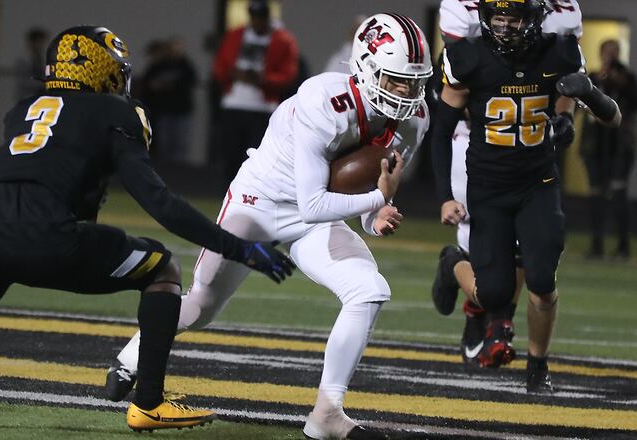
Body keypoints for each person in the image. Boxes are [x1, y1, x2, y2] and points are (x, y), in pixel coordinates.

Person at [0, 26, 294, 432]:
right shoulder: (113, 113)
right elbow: (159, 202)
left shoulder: (21, 109)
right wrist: (238, 248)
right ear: (100, 68)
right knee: (162, 267)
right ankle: (149, 403)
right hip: (49, 236)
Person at [106, 14, 432, 440]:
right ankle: (130, 358)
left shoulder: (414, 118)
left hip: (314, 216)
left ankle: (327, 413)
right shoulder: (323, 100)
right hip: (260, 203)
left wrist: (375, 216)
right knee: (201, 307)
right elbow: (316, 201)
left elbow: (367, 189)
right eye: (395, 80)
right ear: (365, 67)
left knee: (369, 290)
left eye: (414, 81)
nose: (407, 93)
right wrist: (376, 200)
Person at [431, 0, 620, 392]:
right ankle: (452, 263)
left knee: (542, 281)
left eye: (513, 19)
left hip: (538, 183)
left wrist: (570, 110)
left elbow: (608, 114)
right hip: (487, 187)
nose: (504, 28)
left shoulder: (559, 51)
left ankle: (537, 365)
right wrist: (444, 196)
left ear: (533, 19)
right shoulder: (467, 58)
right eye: (497, 19)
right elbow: (441, 129)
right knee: (493, 293)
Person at [213, 0, 298, 187]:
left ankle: (252, 191)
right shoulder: (235, 35)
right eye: (254, 17)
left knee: (257, 154)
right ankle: (228, 191)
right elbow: (219, 66)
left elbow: (288, 74)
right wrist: (232, 74)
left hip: (262, 107)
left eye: (260, 17)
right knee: (230, 153)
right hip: (233, 103)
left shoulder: (283, 40)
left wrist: (262, 79)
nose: (257, 21)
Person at [580, 39, 637, 261]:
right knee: (595, 195)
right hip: (594, 146)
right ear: (601, 53)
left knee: (619, 195)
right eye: (607, 52)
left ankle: (623, 246)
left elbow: (634, 102)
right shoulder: (592, 78)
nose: (610, 57)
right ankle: (597, 245)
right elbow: (579, 105)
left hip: (620, 146)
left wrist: (619, 82)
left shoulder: (627, 79)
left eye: (615, 52)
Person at [140, 36, 198, 165]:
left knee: (181, 144)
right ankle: (166, 171)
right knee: (164, 144)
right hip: (164, 110)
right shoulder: (159, 65)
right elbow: (147, 83)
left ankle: (181, 173)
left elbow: (193, 81)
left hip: (182, 110)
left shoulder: (185, 64)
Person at [15, 27, 49, 99]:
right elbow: (23, 82)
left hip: (42, 97)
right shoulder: (23, 60)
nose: (40, 45)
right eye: (38, 42)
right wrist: (43, 84)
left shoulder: (44, 59)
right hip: (27, 96)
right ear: (32, 42)